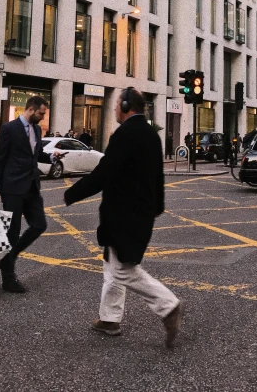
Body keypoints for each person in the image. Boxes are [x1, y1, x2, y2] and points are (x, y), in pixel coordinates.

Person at [63, 87, 184, 345]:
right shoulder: (151, 135)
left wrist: (72, 193)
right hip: (139, 213)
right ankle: (109, 318)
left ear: (127, 105)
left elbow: (104, 173)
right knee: (113, 263)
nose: (115, 109)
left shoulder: (125, 134)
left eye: (117, 104)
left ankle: (167, 305)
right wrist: (157, 208)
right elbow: (157, 177)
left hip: (124, 215)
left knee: (123, 271)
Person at [0, 96, 62, 293]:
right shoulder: (8, 129)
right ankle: (8, 280)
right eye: (41, 113)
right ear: (30, 109)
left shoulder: (37, 129)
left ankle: (7, 259)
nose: (43, 117)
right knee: (12, 232)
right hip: (12, 187)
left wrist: (51, 156)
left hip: (31, 186)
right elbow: (0, 159)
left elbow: (35, 154)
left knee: (40, 225)